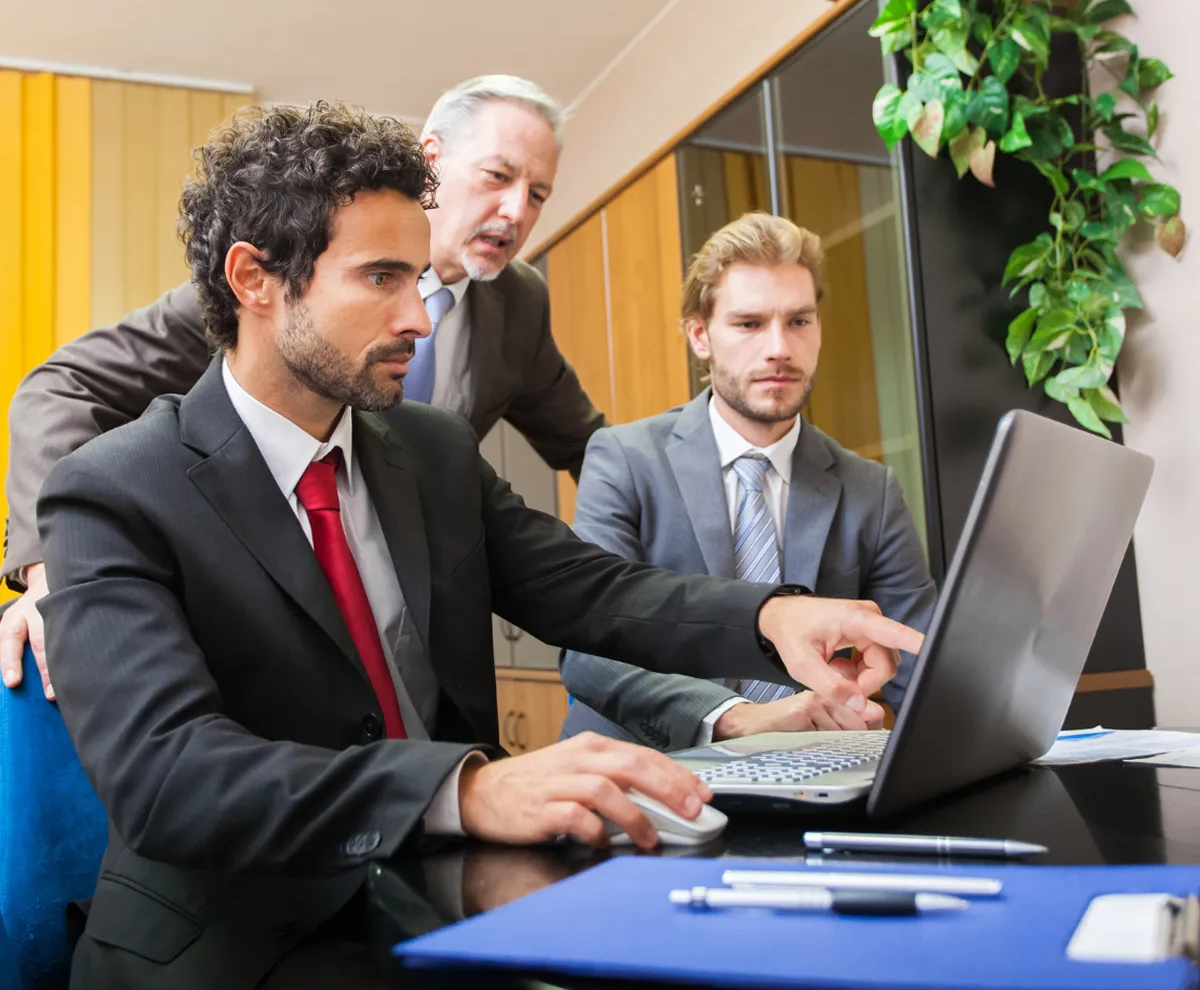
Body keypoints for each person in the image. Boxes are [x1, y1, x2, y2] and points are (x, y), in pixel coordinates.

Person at [37, 103, 922, 989]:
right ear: (255, 279)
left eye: (417, 278)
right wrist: (460, 790)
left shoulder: (431, 450)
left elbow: (593, 591)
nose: (419, 318)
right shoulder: (112, 492)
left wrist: (773, 616)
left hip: (456, 897)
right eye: (380, 277)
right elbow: (168, 777)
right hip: (234, 944)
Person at [2, 74, 602, 700]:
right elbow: (62, 386)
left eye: (537, 194)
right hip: (272, 613)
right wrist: (57, 571)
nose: (516, 212)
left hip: (414, 623)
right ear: (432, 163)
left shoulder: (520, 302)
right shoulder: (277, 288)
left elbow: (586, 444)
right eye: (497, 177)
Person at [559, 213, 936, 750]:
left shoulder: (870, 489)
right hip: (638, 769)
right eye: (749, 324)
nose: (779, 348)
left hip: (808, 774)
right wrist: (729, 717)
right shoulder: (624, 459)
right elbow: (586, 647)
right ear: (699, 335)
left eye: (799, 322)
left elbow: (921, 660)